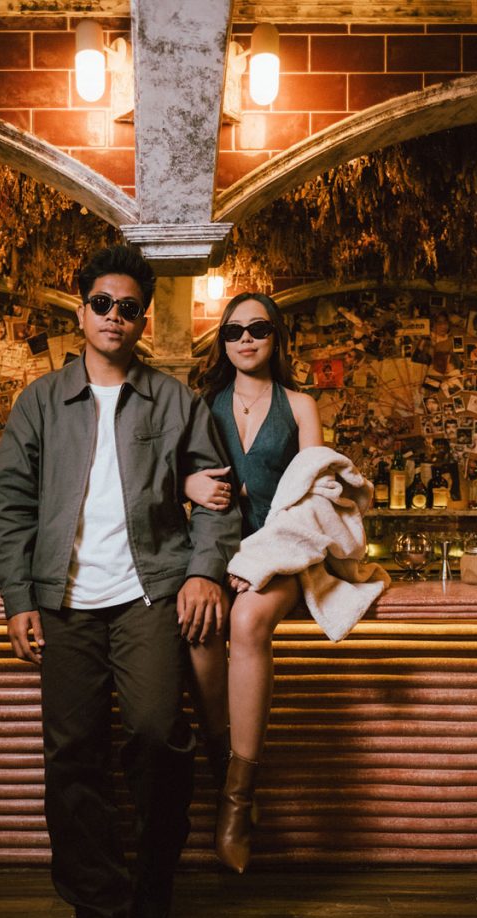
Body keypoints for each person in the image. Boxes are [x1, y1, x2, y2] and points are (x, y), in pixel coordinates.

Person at [0, 245, 240, 918]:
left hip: (147, 595)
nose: (114, 317)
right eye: (102, 303)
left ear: (142, 320)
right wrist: (18, 598)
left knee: (160, 735)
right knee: (73, 759)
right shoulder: (39, 403)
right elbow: (10, 509)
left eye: (129, 308)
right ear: (80, 310)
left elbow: (218, 499)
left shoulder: (172, 400)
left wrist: (203, 573)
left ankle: (154, 870)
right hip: (62, 604)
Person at [183, 292, 323, 875]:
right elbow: (172, 473)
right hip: (218, 552)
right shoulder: (202, 405)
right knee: (197, 626)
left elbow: (320, 495)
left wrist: (264, 562)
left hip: (285, 552)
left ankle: (237, 803)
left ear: (276, 337)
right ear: (222, 341)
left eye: (258, 328)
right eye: (234, 330)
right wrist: (189, 486)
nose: (245, 338)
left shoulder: (301, 405)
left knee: (245, 619)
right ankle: (226, 774)